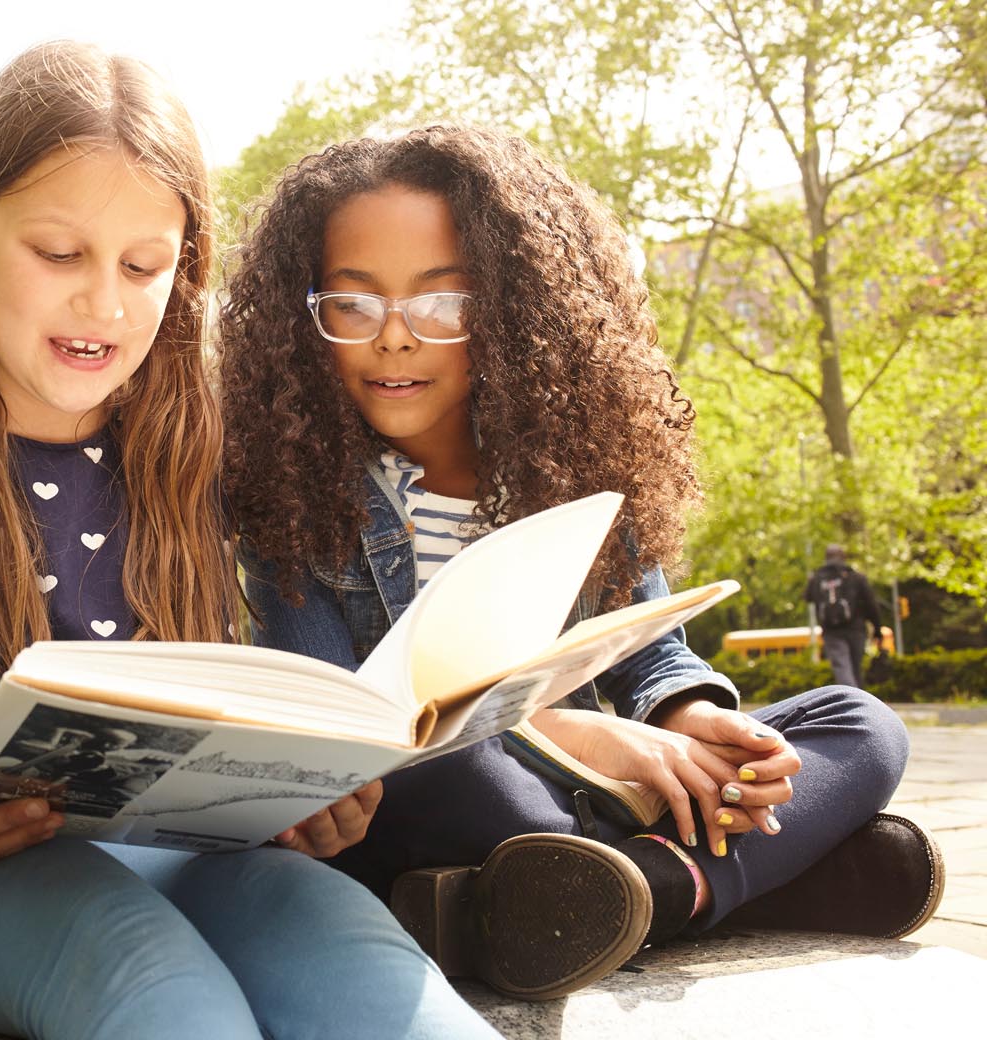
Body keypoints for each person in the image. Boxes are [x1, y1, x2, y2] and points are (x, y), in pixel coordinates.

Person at [0, 44, 492, 1040]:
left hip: (184, 847)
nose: (102, 302)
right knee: (159, 988)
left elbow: (247, 703)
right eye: (58, 254)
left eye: (144, 266)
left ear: (185, 272)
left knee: (365, 963)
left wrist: (304, 792)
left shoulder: (204, 450)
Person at [218, 125, 944, 1002]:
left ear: (512, 312)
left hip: (604, 793)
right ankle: (724, 879)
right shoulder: (294, 499)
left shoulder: (573, 468)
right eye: (354, 305)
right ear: (308, 321)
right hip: (460, 795)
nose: (396, 338)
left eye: (444, 304)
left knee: (862, 722)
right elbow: (347, 724)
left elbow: (655, 655)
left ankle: (606, 895)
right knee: (453, 774)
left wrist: (689, 718)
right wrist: (578, 732)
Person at [805, 543, 884, 687]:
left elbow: (808, 597)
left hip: (831, 632)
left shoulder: (816, 578)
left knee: (842, 667)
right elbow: (871, 604)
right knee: (855, 668)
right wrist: (877, 629)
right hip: (856, 630)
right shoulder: (856, 577)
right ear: (843, 557)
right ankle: (857, 702)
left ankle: (853, 700)